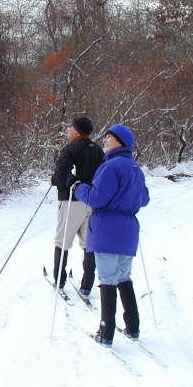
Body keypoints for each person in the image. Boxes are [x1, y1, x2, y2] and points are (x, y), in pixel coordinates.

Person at [74, 124, 149, 347]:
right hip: (128, 229)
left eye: (109, 137)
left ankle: (105, 332)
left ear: (120, 142)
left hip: (107, 228)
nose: (104, 140)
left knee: (107, 280)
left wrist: (78, 186)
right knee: (124, 277)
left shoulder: (111, 167)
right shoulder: (135, 167)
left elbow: (97, 197)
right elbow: (144, 199)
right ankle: (133, 326)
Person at [49, 116, 104, 294]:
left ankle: (59, 279)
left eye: (70, 127)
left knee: (62, 240)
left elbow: (61, 174)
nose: (68, 129)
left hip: (72, 201)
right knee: (89, 243)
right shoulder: (98, 150)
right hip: (92, 201)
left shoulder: (71, 148)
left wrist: (55, 180)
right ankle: (87, 284)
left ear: (77, 130)